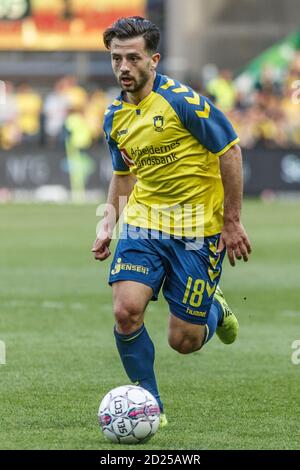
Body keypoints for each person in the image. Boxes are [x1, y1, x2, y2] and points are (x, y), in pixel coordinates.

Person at [92, 16, 251, 427]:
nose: (123, 67)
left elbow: (230, 150)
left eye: (132, 58)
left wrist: (231, 221)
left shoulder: (182, 101)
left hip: (198, 231)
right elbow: (123, 174)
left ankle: (212, 309)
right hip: (145, 226)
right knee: (126, 312)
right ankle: (150, 405)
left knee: (184, 341)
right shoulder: (114, 118)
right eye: (115, 59)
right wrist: (108, 221)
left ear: (154, 60)